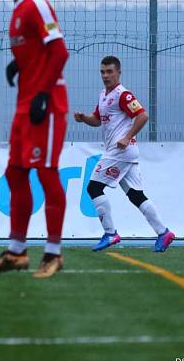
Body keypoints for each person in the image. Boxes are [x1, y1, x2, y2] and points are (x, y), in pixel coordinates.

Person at [0, 0, 70, 278]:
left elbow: (60, 52)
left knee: (47, 174)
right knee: (15, 174)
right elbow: (37, 51)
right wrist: (18, 64)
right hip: (25, 105)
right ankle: (16, 252)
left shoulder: (36, 5)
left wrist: (43, 94)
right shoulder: (18, 10)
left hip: (46, 106)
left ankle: (54, 254)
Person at [73, 56, 175, 252]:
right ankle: (163, 232)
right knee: (136, 195)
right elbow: (97, 120)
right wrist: (84, 118)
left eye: (109, 72)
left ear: (119, 73)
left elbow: (143, 115)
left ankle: (110, 233)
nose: (105, 75)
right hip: (123, 153)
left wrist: (127, 137)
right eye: (102, 72)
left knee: (94, 188)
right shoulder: (103, 94)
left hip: (120, 151)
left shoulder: (123, 95)